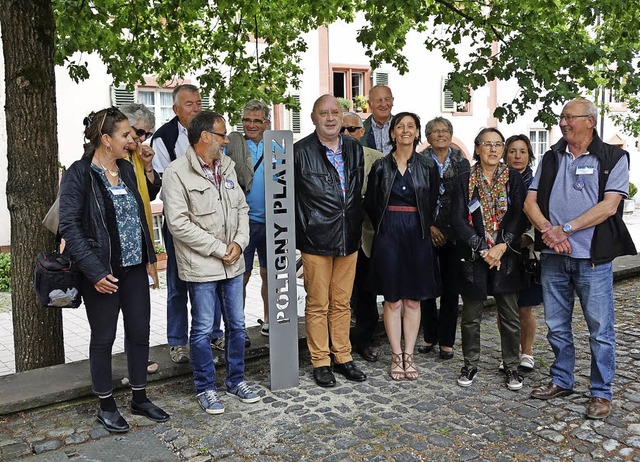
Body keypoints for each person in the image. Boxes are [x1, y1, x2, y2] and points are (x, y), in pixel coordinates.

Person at [524, 98, 637, 419]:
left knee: (600, 330)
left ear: (590, 121)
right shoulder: (550, 157)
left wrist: (566, 229)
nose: (563, 123)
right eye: (562, 118)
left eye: (570, 117)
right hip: (552, 257)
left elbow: (609, 206)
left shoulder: (613, 157)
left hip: (592, 260)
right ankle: (562, 379)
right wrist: (548, 230)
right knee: (556, 326)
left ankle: (601, 393)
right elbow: (530, 202)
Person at [59, 107, 169, 433]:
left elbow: (141, 213)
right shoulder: (80, 173)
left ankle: (139, 396)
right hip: (101, 273)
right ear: (106, 139)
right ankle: (106, 405)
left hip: (134, 268)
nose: (132, 140)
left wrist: (149, 258)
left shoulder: (126, 168)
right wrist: (94, 272)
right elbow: (70, 226)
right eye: (125, 135)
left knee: (139, 333)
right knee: (103, 338)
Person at [162, 111, 260, 414]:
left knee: (238, 324)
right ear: (205, 136)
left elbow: (242, 208)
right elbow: (178, 223)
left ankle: (235, 380)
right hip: (202, 265)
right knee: (203, 329)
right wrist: (220, 248)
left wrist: (239, 243)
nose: (227, 139)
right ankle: (206, 387)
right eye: (222, 134)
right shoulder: (176, 172)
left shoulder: (227, 167)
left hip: (233, 260)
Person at [294, 95, 367, 387]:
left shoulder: (353, 147)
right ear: (313, 118)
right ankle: (321, 360)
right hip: (317, 237)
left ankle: (343, 356)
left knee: (342, 302)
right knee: (317, 304)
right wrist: (303, 230)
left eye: (335, 112)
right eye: (323, 113)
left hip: (349, 236)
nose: (330, 117)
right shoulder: (300, 151)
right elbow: (290, 198)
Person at [151, 85, 224, 362]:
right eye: (189, 104)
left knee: (213, 280)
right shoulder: (164, 138)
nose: (195, 108)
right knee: (178, 283)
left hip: (212, 222)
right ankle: (178, 341)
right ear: (176, 109)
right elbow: (161, 184)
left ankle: (214, 334)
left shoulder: (212, 133)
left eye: (198, 103)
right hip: (181, 223)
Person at [364, 112, 439, 380]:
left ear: (418, 132)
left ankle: (410, 355)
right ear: (392, 133)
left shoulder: (428, 166)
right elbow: (372, 204)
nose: (406, 130)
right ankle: (396, 356)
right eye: (400, 126)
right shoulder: (381, 167)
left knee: (414, 300)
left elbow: (431, 202)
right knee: (393, 300)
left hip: (417, 234)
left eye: (411, 126)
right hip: (389, 234)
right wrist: (387, 226)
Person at [451, 127, 526, 391]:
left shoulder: (513, 179)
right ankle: (470, 362)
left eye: (498, 144)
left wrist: (502, 246)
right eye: (487, 144)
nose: (493, 149)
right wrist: (482, 248)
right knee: (471, 315)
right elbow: (458, 219)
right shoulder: (464, 179)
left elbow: (519, 214)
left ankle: (512, 366)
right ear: (477, 149)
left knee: (509, 314)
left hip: (505, 255)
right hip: (475, 255)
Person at [417, 117, 470, 360]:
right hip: (425, 231)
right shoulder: (419, 161)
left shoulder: (462, 162)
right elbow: (415, 198)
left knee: (451, 288)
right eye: (435, 131)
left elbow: (467, 199)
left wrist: (451, 230)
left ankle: (446, 341)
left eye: (445, 130)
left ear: (451, 134)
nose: (441, 134)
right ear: (427, 137)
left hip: (454, 233)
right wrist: (429, 226)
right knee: (426, 287)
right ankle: (429, 336)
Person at [119, 102, 162, 375]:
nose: (140, 138)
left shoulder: (138, 155)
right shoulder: (111, 152)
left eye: (145, 134)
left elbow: (151, 191)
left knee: (138, 307)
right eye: (137, 132)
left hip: (140, 237)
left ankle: (139, 357)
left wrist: (147, 165)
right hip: (117, 239)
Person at [341, 112, 384, 363]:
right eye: (343, 129)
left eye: (352, 128)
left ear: (361, 132)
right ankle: (339, 343)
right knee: (340, 295)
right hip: (338, 237)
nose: (346, 133)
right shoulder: (329, 158)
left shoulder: (377, 159)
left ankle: (364, 341)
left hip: (367, 237)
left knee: (366, 293)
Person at [226, 100, 271, 340]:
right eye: (246, 120)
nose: (251, 125)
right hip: (243, 222)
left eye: (256, 120)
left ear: (267, 122)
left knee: (269, 274)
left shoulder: (277, 145)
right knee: (240, 276)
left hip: (274, 221)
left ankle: (269, 320)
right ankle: (238, 327)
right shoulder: (232, 145)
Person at [500, 134, 542, 372]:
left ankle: (526, 352)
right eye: (513, 151)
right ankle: (508, 352)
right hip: (502, 249)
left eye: (522, 151)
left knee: (524, 307)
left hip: (526, 250)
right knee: (504, 306)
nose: (517, 156)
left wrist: (528, 237)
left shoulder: (537, 182)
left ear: (529, 155)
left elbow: (543, 214)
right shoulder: (499, 180)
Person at [360, 85, 394, 155]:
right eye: (379, 100)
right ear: (370, 104)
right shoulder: (360, 130)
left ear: (392, 101)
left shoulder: (402, 127)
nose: (383, 104)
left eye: (387, 99)